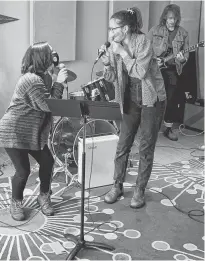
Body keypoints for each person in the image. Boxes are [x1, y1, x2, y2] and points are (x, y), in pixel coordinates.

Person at [100, 7, 166, 208]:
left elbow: (139, 72)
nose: (110, 34)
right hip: (129, 99)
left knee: (146, 147)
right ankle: (117, 185)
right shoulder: (113, 47)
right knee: (123, 146)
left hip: (151, 100)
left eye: (114, 29)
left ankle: (139, 190)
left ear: (126, 29)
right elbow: (111, 78)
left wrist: (121, 53)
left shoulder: (143, 42)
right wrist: (106, 64)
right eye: (109, 30)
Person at [0, 42, 68, 221]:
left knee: (47, 161)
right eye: (50, 53)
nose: (54, 56)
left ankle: (43, 196)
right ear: (43, 58)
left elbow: (50, 99)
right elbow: (49, 105)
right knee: (23, 171)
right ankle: (15, 203)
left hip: (31, 133)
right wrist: (59, 82)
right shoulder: (31, 80)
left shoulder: (42, 77)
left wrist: (54, 78)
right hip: (14, 132)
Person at [147, 4, 189, 141]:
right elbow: (145, 49)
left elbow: (186, 55)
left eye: (175, 18)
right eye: (170, 18)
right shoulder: (155, 30)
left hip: (172, 70)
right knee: (153, 98)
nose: (172, 21)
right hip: (155, 69)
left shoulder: (183, 33)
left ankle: (168, 128)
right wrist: (154, 61)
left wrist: (182, 59)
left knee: (170, 100)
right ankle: (151, 127)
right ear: (165, 17)